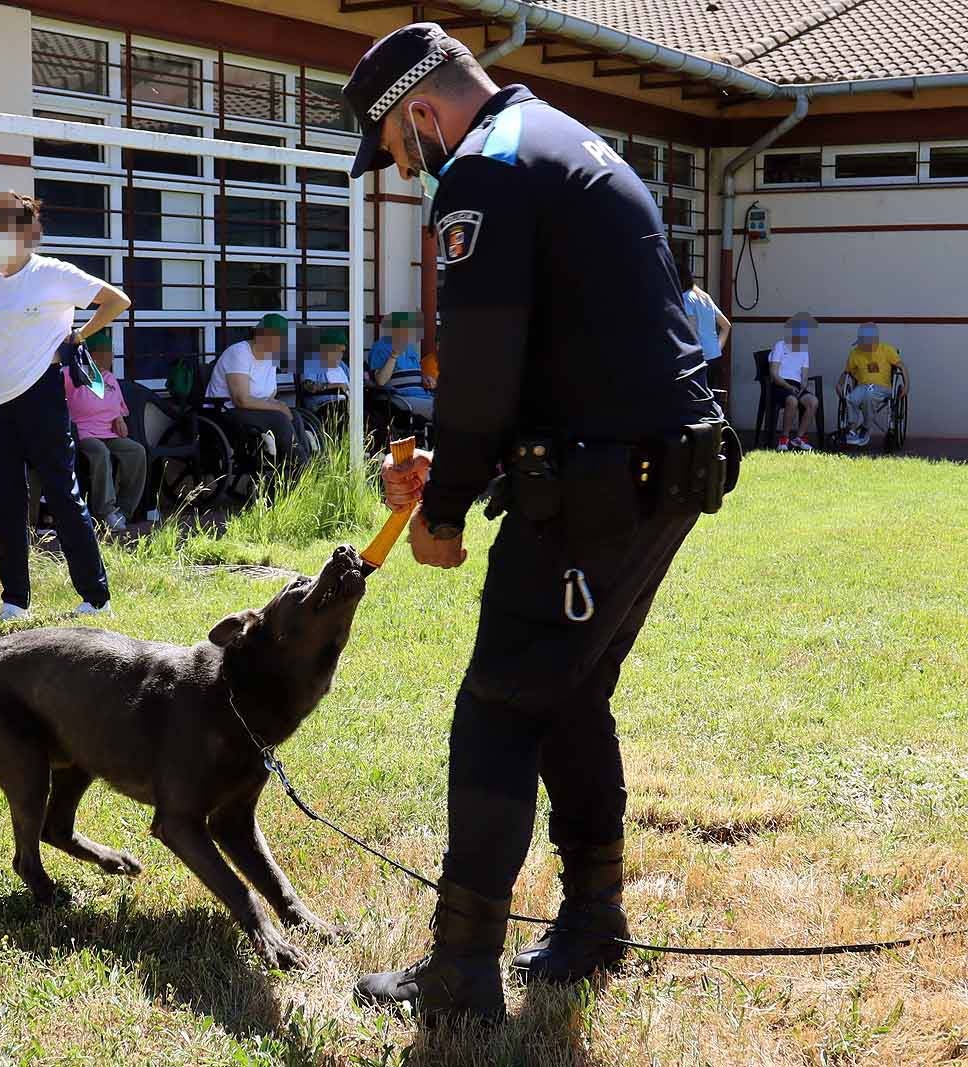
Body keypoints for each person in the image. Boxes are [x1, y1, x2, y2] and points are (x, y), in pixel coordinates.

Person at [341, 23, 724, 1025]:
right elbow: (563, 350)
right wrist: (481, 459)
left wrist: (443, 503)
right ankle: (593, 921)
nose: (398, 169)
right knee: (567, 689)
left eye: (391, 147)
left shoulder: (484, 169)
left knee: (503, 702)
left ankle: (460, 976)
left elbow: (478, 372)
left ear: (422, 113)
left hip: (602, 482)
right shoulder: (559, 138)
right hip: (657, 467)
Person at [0, 191, 130, 622]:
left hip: (42, 397)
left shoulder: (52, 273)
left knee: (62, 492)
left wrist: (79, 336)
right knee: (8, 502)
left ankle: (96, 597)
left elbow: (117, 300)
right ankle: (14, 599)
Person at [205, 313, 313, 470]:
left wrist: (277, 405)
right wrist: (278, 407)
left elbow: (269, 394)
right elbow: (241, 400)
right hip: (226, 411)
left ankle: (305, 464)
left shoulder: (271, 357)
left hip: (253, 411)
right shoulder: (239, 353)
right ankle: (304, 468)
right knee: (280, 419)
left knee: (295, 416)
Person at [64, 329, 146, 532]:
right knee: (100, 453)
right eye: (101, 352)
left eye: (108, 352)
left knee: (136, 451)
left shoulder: (108, 377)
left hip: (109, 431)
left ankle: (124, 511)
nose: (106, 357)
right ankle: (105, 511)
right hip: (83, 432)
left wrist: (119, 418)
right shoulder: (70, 373)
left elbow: (117, 405)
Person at [840, 323, 907, 448]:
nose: (861, 345)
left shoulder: (886, 350)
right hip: (862, 386)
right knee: (850, 398)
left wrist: (906, 386)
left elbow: (901, 367)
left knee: (869, 394)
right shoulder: (855, 353)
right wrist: (839, 384)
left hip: (882, 388)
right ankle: (853, 429)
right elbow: (847, 372)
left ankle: (865, 428)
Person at [368, 311, 434, 421]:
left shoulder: (409, 347)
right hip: (400, 398)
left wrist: (424, 378)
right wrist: (394, 356)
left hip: (422, 395)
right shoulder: (380, 347)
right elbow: (380, 381)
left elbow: (414, 373)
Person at [769, 312, 819, 452]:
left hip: (796, 387)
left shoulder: (804, 351)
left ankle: (799, 437)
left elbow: (804, 377)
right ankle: (784, 438)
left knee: (813, 401)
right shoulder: (780, 345)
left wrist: (802, 387)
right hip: (780, 384)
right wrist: (787, 386)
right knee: (792, 400)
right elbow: (773, 373)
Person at [677, 257, 730, 390]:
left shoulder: (685, 298)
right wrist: (716, 348)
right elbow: (726, 326)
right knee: (712, 401)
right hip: (714, 357)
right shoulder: (704, 297)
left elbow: (691, 330)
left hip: (698, 360)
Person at [300, 327, 351, 418]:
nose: (340, 355)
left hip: (346, 402)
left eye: (342, 351)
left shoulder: (341, 365)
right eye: (336, 350)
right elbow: (308, 386)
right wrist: (337, 386)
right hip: (323, 406)